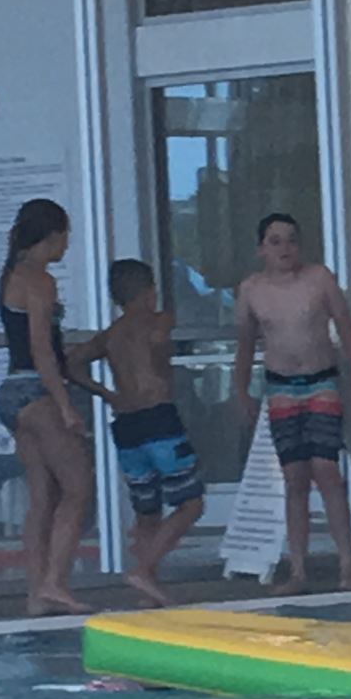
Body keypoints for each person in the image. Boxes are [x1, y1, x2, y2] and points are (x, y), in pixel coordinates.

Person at [230, 212, 351, 594]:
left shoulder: (318, 279)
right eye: (275, 241)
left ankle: (346, 565)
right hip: (280, 388)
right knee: (294, 478)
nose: (284, 248)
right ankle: (298, 570)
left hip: (321, 380)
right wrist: (240, 389)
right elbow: (245, 344)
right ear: (261, 249)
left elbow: (347, 330)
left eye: (291, 240)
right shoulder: (252, 290)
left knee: (327, 469)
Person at [72, 260, 204, 607]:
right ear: (150, 292)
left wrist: (107, 393)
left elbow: (72, 361)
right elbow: (161, 337)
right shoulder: (158, 320)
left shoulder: (111, 334)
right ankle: (143, 570)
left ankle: (148, 587)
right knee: (191, 504)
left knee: (148, 510)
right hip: (159, 418)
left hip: (126, 424)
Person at [0, 198, 92, 617]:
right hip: (36, 392)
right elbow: (42, 350)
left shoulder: (10, 275)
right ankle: (54, 581)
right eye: (65, 235)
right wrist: (65, 404)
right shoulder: (40, 280)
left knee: (42, 495)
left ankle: (36, 593)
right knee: (78, 487)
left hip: (11, 393)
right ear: (51, 235)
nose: (67, 244)